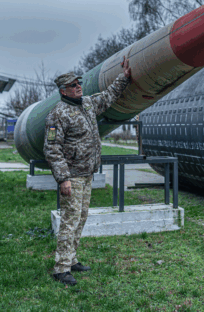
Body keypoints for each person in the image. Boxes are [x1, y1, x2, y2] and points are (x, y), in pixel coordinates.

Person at [45, 57, 132, 286]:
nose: (78, 87)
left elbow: (109, 96)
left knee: (81, 218)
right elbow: (52, 149)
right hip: (72, 176)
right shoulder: (57, 115)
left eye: (79, 83)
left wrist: (124, 77)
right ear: (63, 91)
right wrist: (63, 178)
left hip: (87, 174)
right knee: (70, 220)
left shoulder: (87, 104)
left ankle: (72, 260)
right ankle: (61, 269)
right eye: (73, 85)